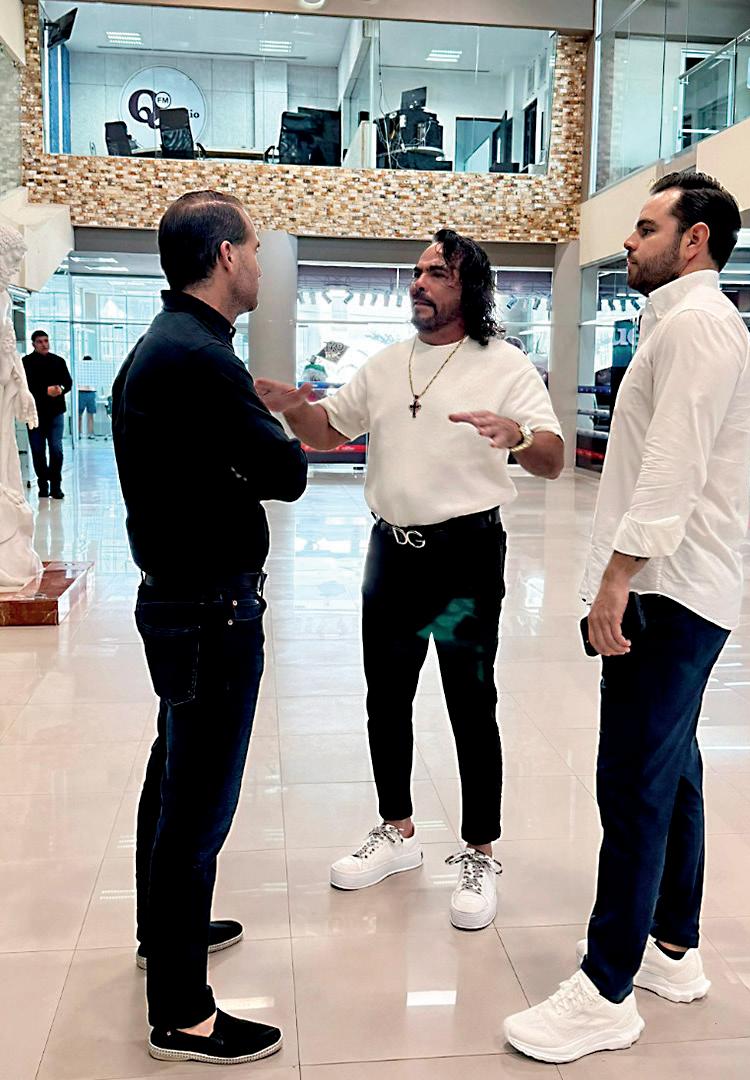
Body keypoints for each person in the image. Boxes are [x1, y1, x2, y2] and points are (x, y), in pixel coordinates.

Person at [504, 172, 750, 1063]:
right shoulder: (678, 322)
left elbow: (669, 470)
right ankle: (673, 950)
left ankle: (605, 990)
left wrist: (617, 578)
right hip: (676, 587)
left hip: (668, 592)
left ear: (694, 240)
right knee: (671, 772)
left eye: (646, 228)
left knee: (631, 786)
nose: (628, 242)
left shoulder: (697, 326)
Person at [256, 229, 564, 931]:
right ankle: (396, 830)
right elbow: (328, 432)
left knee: (469, 701)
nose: (419, 283)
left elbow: (550, 457)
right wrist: (294, 405)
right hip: (391, 557)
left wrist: (516, 435)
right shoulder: (387, 363)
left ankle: (479, 851)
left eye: (437, 273)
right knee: (386, 698)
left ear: (469, 288)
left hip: (463, 561)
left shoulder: (504, 363)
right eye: (417, 271)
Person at [112, 190, 307, 1066]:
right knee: (197, 806)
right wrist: (266, 438)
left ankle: (163, 936)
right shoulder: (197, 355)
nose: (260, 263)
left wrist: (239, 451)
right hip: (208, 611)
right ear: (226, 255)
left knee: (173, 776)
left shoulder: (171, 344)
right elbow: (285, 472)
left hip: (182, 602)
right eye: (255, 249)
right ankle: (182, 1015)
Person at [21, 330, 72, 499]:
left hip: (56, 413)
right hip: (34, 414)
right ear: (33, 344)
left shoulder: (58, 361)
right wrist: (45, 391)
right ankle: (43, 484)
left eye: (46, 341)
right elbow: (25, 387)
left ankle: (56, 485)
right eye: (40, 342)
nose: (44, 344)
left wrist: (61, 389)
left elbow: (67, 382)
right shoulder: (26, 363)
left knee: (56, 449)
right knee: (38, 450)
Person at [77, 357, 97, 438]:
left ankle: (90, 433)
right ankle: (78, 433)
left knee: (90, 415)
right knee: (79, 415)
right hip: (81, 392)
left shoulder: (94, 372)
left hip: (91, 393)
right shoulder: (80, 372)